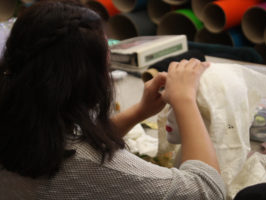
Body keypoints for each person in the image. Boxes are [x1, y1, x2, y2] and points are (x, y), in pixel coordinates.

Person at [0, 1, 225, 199]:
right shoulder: (85, 166)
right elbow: (206, 190)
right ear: (84, 81)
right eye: (106, 66)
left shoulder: (22, 122)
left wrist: (139, 112)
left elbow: (67, 143)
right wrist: (185, 100)